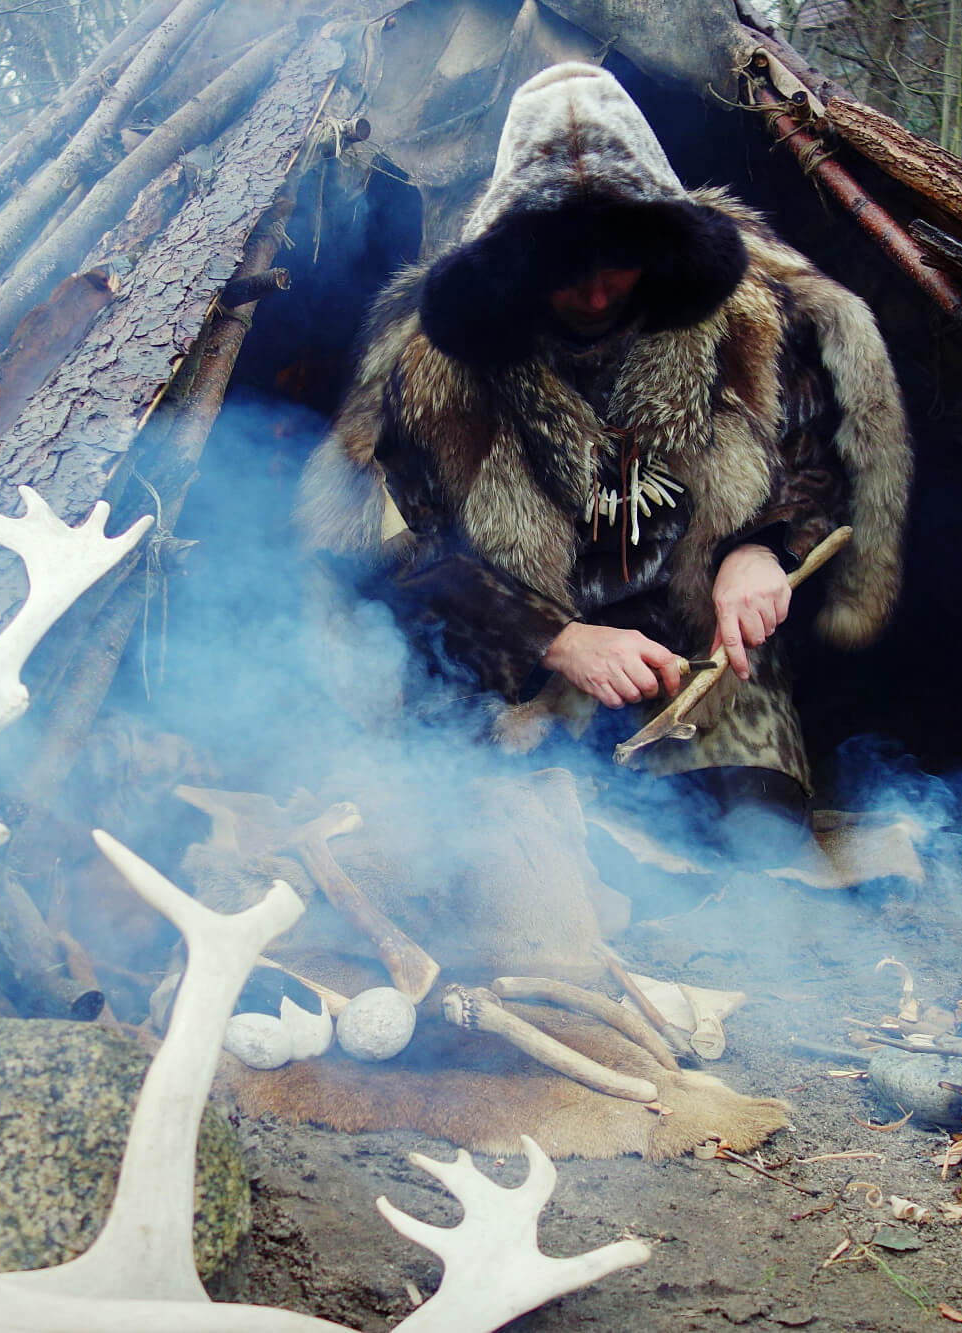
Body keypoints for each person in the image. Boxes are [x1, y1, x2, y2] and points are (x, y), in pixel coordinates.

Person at [299, 62, 911, 861]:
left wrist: (762, 549)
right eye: (565, 269)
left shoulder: (748, 320)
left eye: (619, 261)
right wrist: (557, 638)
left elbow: (810, 458)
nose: (594, 294)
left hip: (699, 661)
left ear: (660, 244)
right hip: (515, 673)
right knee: (513, 862)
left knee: (757, 851)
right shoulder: (436, 362)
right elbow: (407, 548)